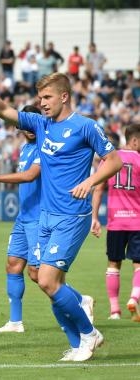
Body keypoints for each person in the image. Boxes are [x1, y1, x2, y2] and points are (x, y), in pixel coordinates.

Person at [0, 71, 123, 362]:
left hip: (72, 215)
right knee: (46, 281)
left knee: (48, 280)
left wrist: (90, 181)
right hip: (46, 215)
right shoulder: (41, 124)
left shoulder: (86, 127)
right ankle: (77, 345)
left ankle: (89, 334)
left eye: (47, 97)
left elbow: (114, 160)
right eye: (40, 98)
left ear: (64, 96)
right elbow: (2, 109)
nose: (43, 103)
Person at [0, 105, 95, 333]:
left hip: (40, 217)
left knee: (37, 274)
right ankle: (15, 322)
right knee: (12, 265)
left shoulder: (45, 146)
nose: (30, 130)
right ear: (19, 127)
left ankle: (80, 300)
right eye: (25, 125)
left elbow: (30, 176)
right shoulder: (24, 148)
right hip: (23, 216)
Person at [91, 124, 140, 320]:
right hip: (137, 222)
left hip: (115, 221)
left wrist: (94, 217)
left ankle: (114, 311)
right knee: (139, 265)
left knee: (113, 265)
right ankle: (134, 297)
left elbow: (98, 188)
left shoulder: (110, 159)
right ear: (135, 140)